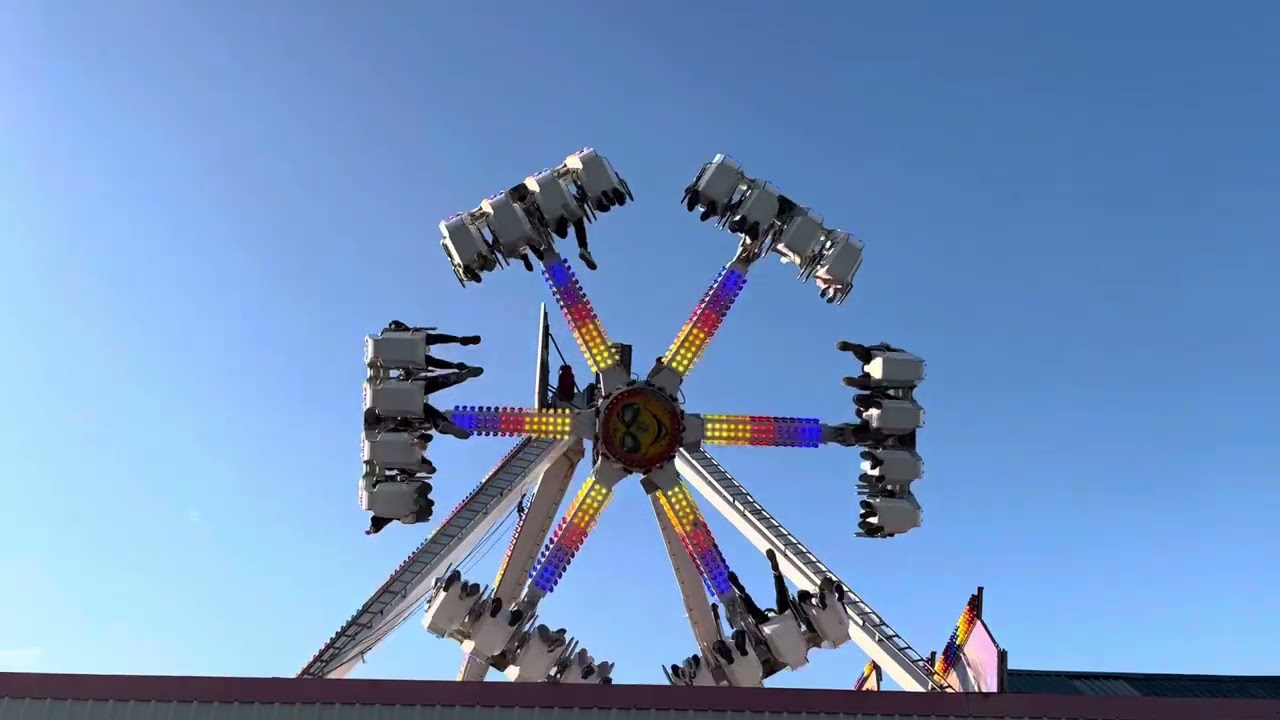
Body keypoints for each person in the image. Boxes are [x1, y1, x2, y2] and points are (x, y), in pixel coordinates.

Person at [385, 320, 481, 347]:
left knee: (438, 338)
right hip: (418, 340)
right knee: (439, 339)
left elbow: (402, 327)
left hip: (417, 337)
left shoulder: (394, 326)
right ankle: (458, 340)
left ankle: (459, 340)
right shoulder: (393, 335)